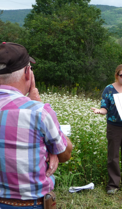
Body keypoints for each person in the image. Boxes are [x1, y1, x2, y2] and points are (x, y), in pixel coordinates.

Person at [0, 42, 73, 208]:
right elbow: (65, 153)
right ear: (27, 73)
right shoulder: (38, 111)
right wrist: (37, 102)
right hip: (30, 204)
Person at [91, 64, 122, 194]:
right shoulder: (109, 89)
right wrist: (100, 111)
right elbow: (105, 107)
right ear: (117, 75)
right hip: (114, 126)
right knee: (113, 155)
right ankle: (113, 185)